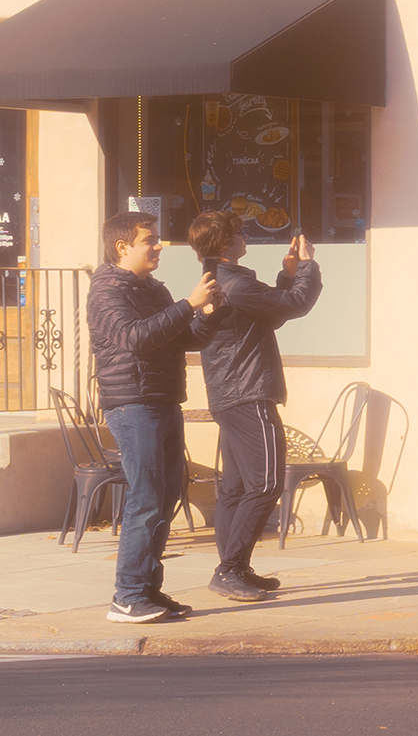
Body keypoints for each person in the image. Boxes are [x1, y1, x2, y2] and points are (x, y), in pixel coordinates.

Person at [87, 211, 219, 625]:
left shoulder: (151, 287)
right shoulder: (106, 290)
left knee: (166, 496)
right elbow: (136, 338)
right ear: (122, 246)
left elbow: (183, 338)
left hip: (162, 399)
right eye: (150, 239)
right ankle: (126, 598)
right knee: (146, 498)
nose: (159, 245)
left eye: (158, 238)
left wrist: (207, 315)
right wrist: (186, 305)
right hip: (132, 404)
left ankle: (146, 589)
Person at [184, 211, 322, 601]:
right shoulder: (235, 283)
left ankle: (237, 568)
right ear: (225, 243)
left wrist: (288, 274)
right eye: (239, 232)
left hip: (229, 395)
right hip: (247, 394)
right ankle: (229, 570)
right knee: (265, 483)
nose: (246, 237)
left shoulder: (220, 280)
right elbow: (294, 305)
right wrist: (308, 266)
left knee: (236, 487)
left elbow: (270, 312)